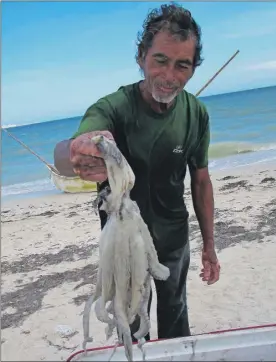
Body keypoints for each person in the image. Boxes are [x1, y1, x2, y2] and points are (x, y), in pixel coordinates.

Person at [54, 3, 221, 341]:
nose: (170, 75)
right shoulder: (114, 107)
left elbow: (201, 181)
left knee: (176, 320)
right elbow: (73, 148)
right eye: (160, 60)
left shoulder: (196, 114)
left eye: (182, 65)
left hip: (174, 240)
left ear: (193, 69)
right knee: (131, 326)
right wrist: (81, 149)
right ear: (142, 55)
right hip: (123, 246)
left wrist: (209, 245)